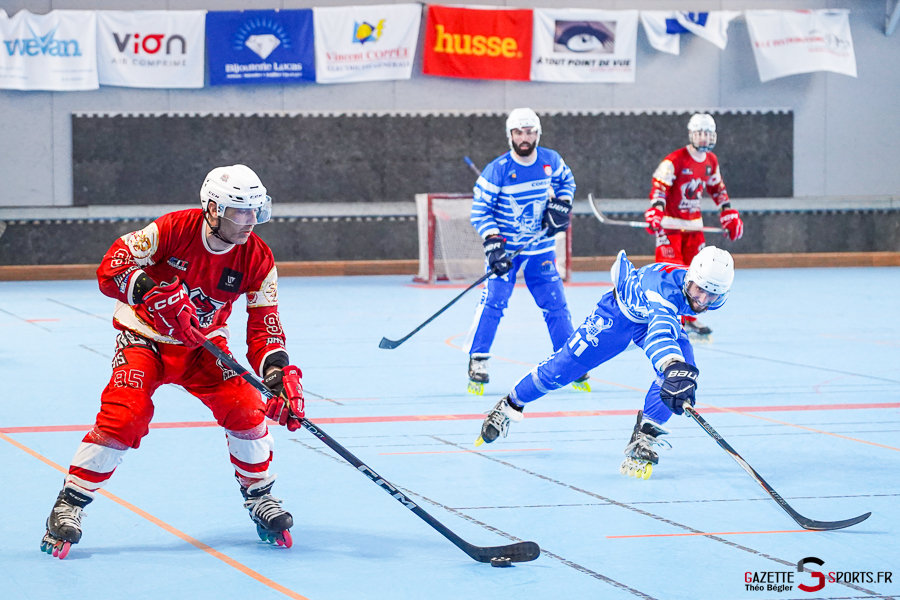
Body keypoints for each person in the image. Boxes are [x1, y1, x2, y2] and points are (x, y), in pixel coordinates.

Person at [40, 165, 306, 559]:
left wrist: (277, 375)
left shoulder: (259, 258)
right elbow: (112, 265)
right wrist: (147, 291)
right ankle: (69, 503)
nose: (250, 221)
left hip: (203, 348)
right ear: (213, 209)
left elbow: (264, 326)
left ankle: (259, 496)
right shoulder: (172, 229)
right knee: (125, 416)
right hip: (144, 340)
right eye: (240, 211)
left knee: (247, 406)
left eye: (256, 210)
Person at [476, 246, 735, 480]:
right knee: (562, 370)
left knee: (683, 373)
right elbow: (660, 334)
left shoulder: (695, 288)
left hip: (653, 318)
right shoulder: (664, 291)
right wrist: (671, 364)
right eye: (699, 290)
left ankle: (645, 435)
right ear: (689, 278)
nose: (702, 300)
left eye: (712, 295)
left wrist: (674, 369)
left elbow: (665, 328)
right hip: (617, 317)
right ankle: (510, 404)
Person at [466, 107, 589, 395]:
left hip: (541, 248)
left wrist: (561, 205)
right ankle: (478, 359)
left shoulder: (550, 160)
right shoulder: (497, 169)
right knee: (494, 301)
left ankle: (569, 361)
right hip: (507, 250)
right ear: (510, 135)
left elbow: (566, 182)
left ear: (538, 133)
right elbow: (480, 211)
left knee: (555, 304)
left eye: (530, 132)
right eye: (519, 132)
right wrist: (493, 243)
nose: (525, 138)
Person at [644, 113, 743, 337]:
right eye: (700, 134)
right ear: (691, 135)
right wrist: (656, 209)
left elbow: (718, 189)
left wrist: (727, 212)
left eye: (708, 134)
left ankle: (689, 317)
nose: (704, 138)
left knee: (698, 274)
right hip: (670, 226)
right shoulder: (675, 160)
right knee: (670, 273)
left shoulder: (711, 161)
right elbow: (660, 187)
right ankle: (668, 318)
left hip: (694, 227)